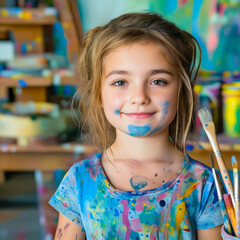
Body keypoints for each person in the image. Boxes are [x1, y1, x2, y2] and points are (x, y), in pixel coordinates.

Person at [49, 12, 223, 239]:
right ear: (99, 94)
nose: (139, 96)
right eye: (120, 82)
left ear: (182, 91)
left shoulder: (204, 184)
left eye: (157, 81)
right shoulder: (80, 181)